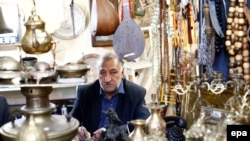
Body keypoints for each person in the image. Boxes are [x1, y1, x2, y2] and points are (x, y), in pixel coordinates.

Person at [71, 52, 150, 141]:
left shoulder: (136, 93)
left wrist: (111, 132)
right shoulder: (85, 93)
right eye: (103, 73)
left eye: (113, 72)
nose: (107, 79)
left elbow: (145, 124)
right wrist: (77, 129)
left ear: (122, 73)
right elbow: (71, 121)